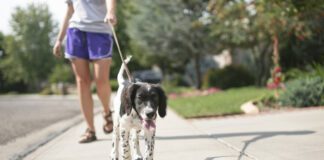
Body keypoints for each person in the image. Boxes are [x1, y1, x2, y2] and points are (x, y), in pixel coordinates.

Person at [53, 0, 117, 143]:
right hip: (76, 31)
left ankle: (107, 112)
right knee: (82, 82)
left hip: (100, 31)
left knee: (101, 80)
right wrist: (59, 39)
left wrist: (111, 12)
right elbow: (70, 10)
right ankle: (90, 129)